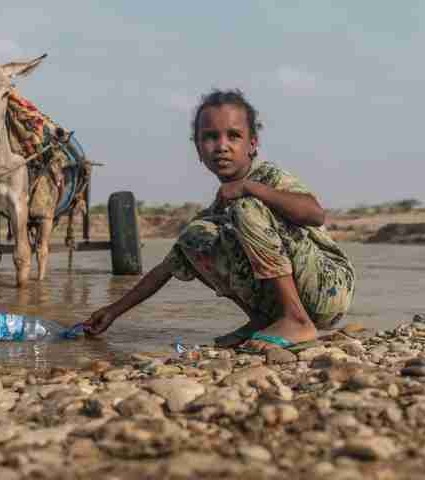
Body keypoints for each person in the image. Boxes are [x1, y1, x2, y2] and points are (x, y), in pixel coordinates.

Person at [84, 89, 355, 352]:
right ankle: (264, 321)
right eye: (210, 137)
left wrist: (249, 188)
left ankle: (295, 320)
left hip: (328, 287)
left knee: (245, 208)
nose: (222, 146)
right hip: (298, 293)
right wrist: (112, 311)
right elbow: (165, 269)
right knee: (195, 235)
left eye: (234, 136)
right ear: (198, 149)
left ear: (253, 144)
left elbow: (315, 213)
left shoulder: (269, 178)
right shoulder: (219, 207)